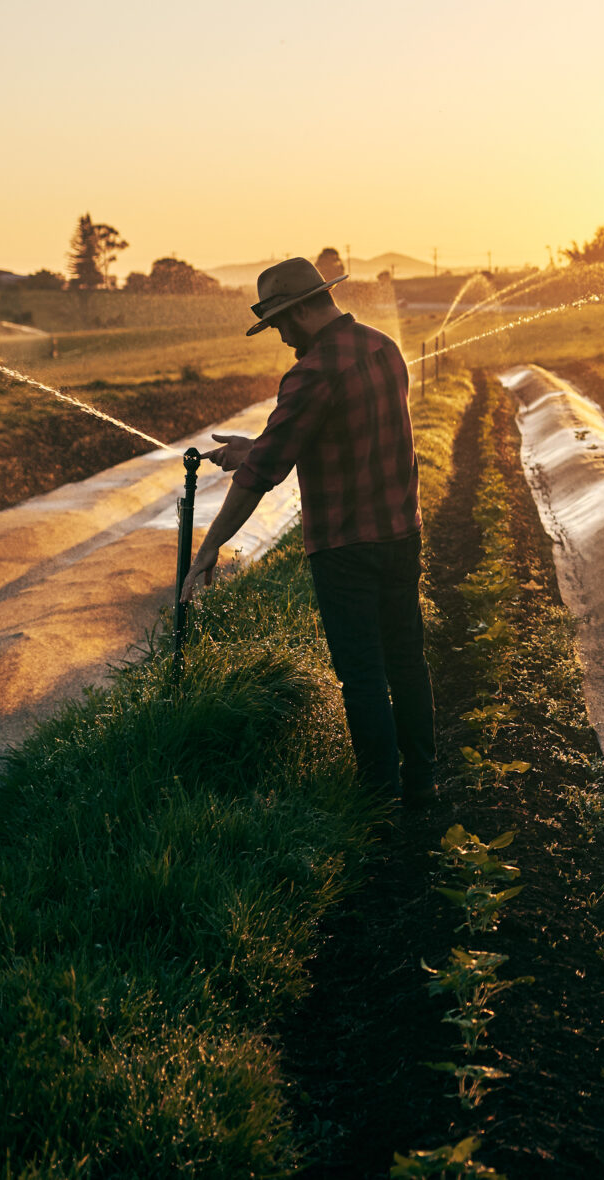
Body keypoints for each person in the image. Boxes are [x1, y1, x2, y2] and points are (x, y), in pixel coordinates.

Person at [184, 255, 434, 806]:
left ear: (297, 313)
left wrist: (208, 549)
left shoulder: (312, 370)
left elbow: (260, 478)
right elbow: (341, 433)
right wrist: (256, 447)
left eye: (278, 325)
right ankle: (422, 782)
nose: (279, 337)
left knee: (363, 676)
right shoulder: (382, 348)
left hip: (346, 548)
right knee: (407, 662)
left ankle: (378, 801)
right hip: (401, 534)